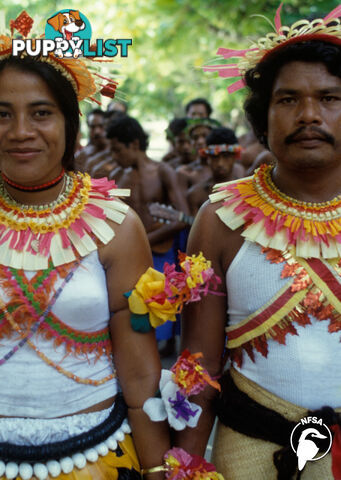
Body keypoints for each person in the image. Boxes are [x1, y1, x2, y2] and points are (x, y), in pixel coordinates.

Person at [0, 12, 169, 480]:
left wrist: (159, 470)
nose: (19, 132)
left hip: (97, 460)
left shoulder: (116, 226)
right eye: (1, 113)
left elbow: (139, 377)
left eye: (40, 112)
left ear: (69, 122)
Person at [177, 5, 341, 480]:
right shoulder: (219, 219)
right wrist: (183, 468)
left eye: (329, 98)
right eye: (288, 99)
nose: (308, 114)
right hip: (245, 454)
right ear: (263, 118)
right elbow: (199, 367)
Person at [107, 115, 190, 354]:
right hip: (132, 255)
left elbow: (182, 217)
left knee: (163, 305)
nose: (114, 156)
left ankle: (167, 350)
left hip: (161, 250)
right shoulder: (121, 177)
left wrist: (148, 239)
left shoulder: (162, 171)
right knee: (135, 308)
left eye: (117, 150)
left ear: (134, 144)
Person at [187, 127, 244, 215]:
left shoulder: (248, 191)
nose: (220, 163)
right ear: (207, 158)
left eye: (226, 156)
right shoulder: (196, 195)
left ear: (235, 157)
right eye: (214, 157)